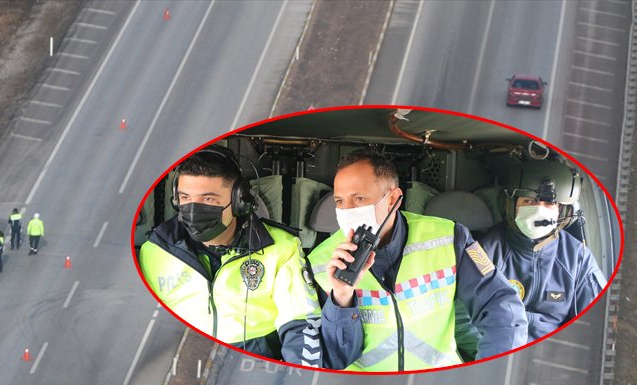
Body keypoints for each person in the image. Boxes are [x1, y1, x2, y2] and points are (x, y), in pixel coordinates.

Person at [308, 149, 527, 371]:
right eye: (340, 201)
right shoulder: (319, 262)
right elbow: (334, 359)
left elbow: (501, 307)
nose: (347, 211)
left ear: (393, 199)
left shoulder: (449, 238)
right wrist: (342, 299)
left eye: (359, 198)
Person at [138, 145, 323, 365]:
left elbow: (300, 322)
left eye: (208, 199)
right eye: (185, 197)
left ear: (239, 201)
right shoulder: (155, 250)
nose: (194, 209)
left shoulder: (281, 247)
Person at [477, 160, 607, 341]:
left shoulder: (578, 258)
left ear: (561, 210)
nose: (539, 210)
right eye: (529, 201)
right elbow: (466, 320)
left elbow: (593, 325)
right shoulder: (486, 252)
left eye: (549, 203)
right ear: (512, 205)